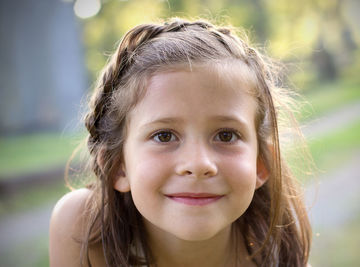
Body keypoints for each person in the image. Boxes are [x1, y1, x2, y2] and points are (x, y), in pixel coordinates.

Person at [49, 18, 311, 267]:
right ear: (118, 167)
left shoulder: (278, 254)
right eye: (164, 136)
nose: (198, 164)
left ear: (261, 164)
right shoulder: (83, 227)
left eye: (226, 135)